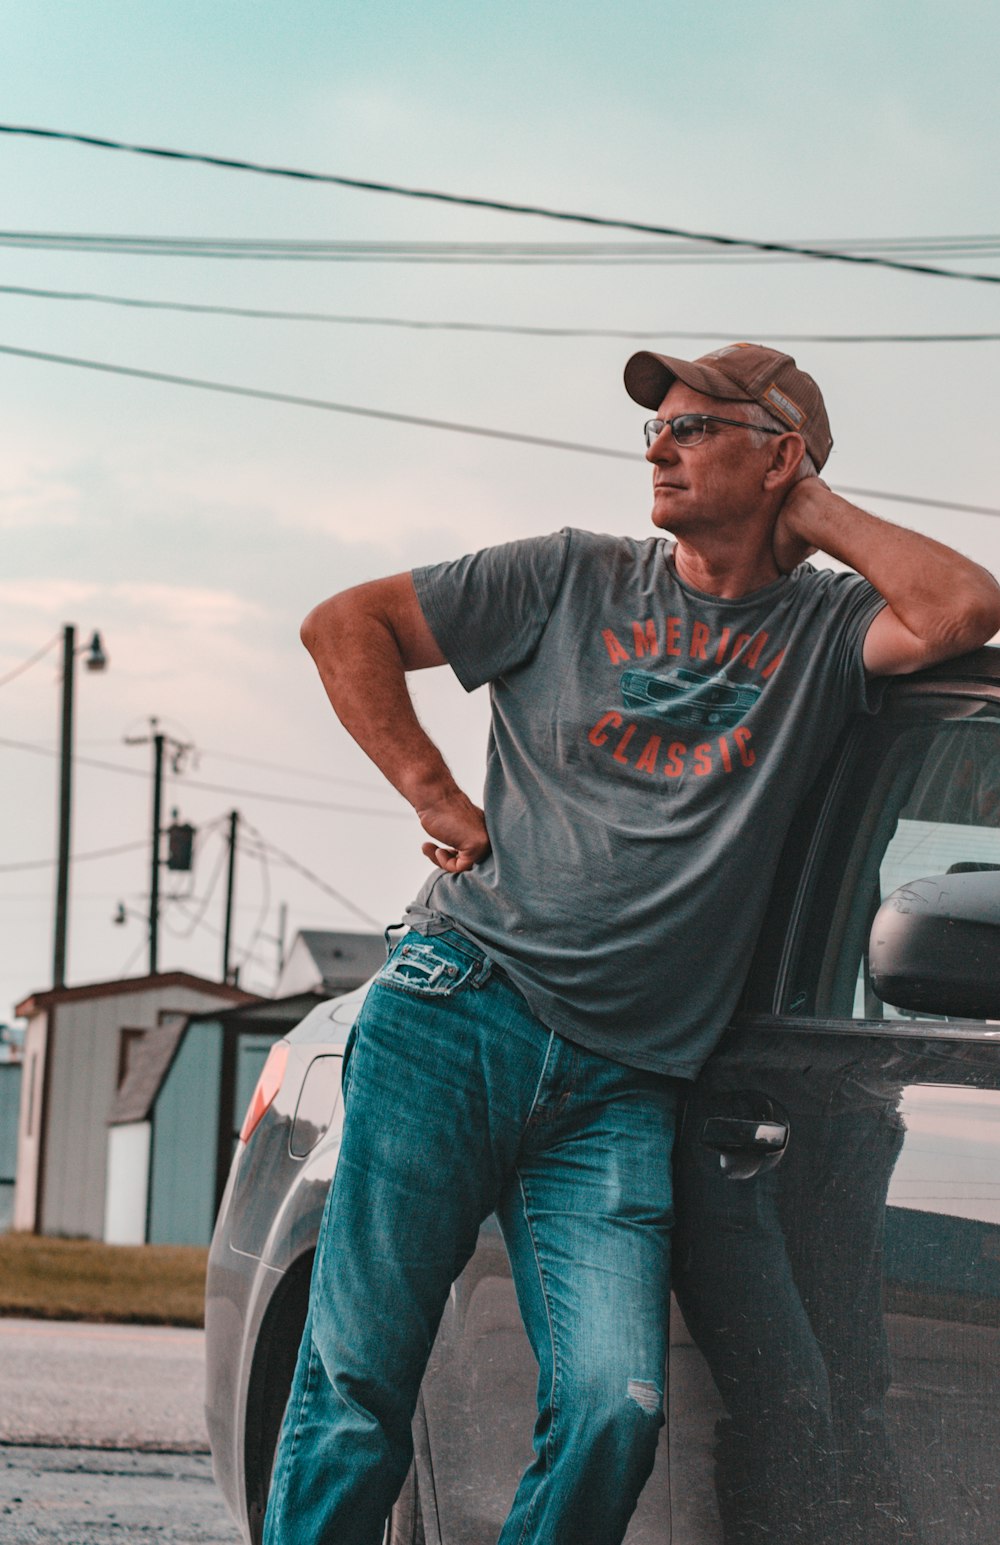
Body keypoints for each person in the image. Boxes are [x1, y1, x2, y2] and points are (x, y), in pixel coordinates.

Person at [263, 342, 1000, 1545]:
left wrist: (804, 504)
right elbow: (343, 624)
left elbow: (965, 608)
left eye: (696, 428)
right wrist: (432, 791)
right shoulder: (565, 577)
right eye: (653, 428)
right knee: (353, 1391)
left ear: (779, 458)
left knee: (614, 1410)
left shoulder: (822, 632)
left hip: (622, 1083)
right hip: (459, 1010)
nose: (657, 446)